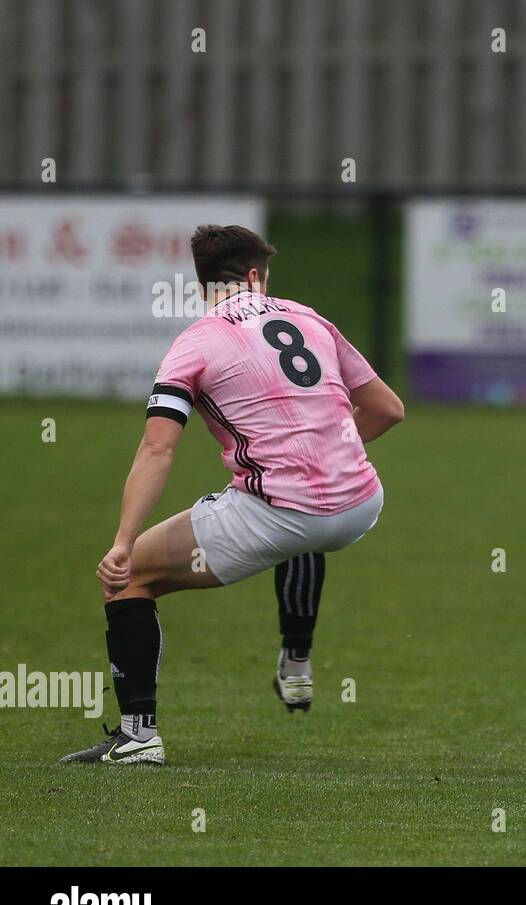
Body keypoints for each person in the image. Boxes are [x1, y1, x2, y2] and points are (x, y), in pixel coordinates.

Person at [61, 225, 404, 765]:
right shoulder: (308, 317)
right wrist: (326, 451)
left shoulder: (194, 343)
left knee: (130, 580)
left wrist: (123, 541)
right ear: (254, 276)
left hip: (282, 511)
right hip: (362, 501)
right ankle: (296, 655)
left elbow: (157, 449)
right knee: (303, 526)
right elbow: (389, 410)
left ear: (203, 286)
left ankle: (138, 738)